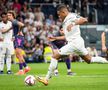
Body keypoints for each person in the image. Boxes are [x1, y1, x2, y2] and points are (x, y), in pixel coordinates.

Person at [36, 4, 107, 85]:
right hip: (77, 42)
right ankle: (106, 61)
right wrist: (56, 38)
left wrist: (73, 24)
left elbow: (84, 20)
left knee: (55, 56)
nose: (59, 16)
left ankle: (46, 79)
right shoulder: (65, 21)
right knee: (89, 60)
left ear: (63, 12)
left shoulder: (71, 16)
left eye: (59, 14)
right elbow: (67, 37)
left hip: (75, 43)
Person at [7, 10, 31, 75]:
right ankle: (26, 67)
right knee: (17, 55)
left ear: (13, 16)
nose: (8, 16)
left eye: (9, 15)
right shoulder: (13, 22)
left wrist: (18, 32)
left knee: (19, 55)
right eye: (7, 15)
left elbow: (22, 24)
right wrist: (8, 31)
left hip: (19, 38)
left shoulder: (14, 21)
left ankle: (20, 70)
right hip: (17, 38)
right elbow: (13, 27)